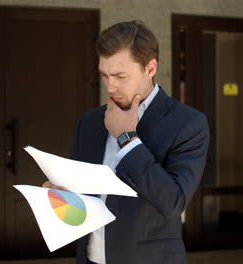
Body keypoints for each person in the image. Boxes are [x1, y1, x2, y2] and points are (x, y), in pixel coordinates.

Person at [43, 20, 209, 264]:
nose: (110, 86)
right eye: (105, 75)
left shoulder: (188, 124)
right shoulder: (89, 123)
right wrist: (62, 196)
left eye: (120, 76)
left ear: (150, 68)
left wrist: (127, 138)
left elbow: (173, 202)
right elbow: (85, 198)